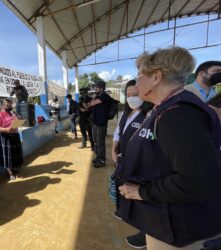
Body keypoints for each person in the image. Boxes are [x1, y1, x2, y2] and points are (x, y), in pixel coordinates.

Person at [118, 47, 221, 249]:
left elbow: (198, 181)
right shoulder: (168, 107)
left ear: (156, 76)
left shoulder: (177, 114)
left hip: (178, 223)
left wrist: (142, 192)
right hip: (166, 217)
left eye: (139, 76)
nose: (137, 82)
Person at [111, 80, 153, 249]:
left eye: (135, 95)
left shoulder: (149, 114)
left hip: (138, 162)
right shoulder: (125, 113)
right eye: (128, 95)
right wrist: (114, 149)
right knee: (122, 186)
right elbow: (118, 132)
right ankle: (123, 211)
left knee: (138, 191)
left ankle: (145, 232)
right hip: (122, 159)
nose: (132, 98)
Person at [0, 98, 23, 180]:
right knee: (8, 156)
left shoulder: (13, 113)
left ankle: (13, 169)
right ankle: (9, 173)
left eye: (10, 105)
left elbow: (17, 121)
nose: (9, 107)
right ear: (3, 106)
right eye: (7, 105)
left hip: (14, 135)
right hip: (5, 137)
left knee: (14, 154)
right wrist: (6, 130)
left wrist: (19, 119)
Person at [87, 80, 112, 168]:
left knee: (100, 142)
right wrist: (94, 96)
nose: (95, 88)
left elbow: (92, 103)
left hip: (101, 123)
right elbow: (92, 103)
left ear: (101, 88)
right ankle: (98, 157)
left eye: (96, 87)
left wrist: (91, 101)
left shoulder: (104, 96)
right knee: (96, 141)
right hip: (95, 122)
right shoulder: (98, 95)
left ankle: (102, 160)